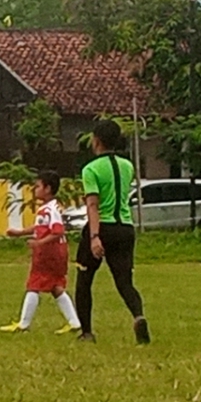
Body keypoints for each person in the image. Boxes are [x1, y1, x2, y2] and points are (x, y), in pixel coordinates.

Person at [75, 120, 150, 344]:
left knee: (84, 280)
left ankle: (87, 332)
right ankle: (138, 316)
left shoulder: (91, 169)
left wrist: (95, 236)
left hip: (103, 227)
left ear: (96, 140)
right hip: (125, 228)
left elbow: (93, 205)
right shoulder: (127, 166)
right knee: (125, 281)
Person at [0, 170, 81, 334]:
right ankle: (74, 322)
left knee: (33, 284)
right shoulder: (50, 208)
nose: (34, 189)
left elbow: (57, 231)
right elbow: (41, 227)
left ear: (48, 189)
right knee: (55, 286)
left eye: (37, 186)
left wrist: (39, 243)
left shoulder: (50, 209)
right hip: (58, 252)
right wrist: (20, 232)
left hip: (49, 253)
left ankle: (24, 325)